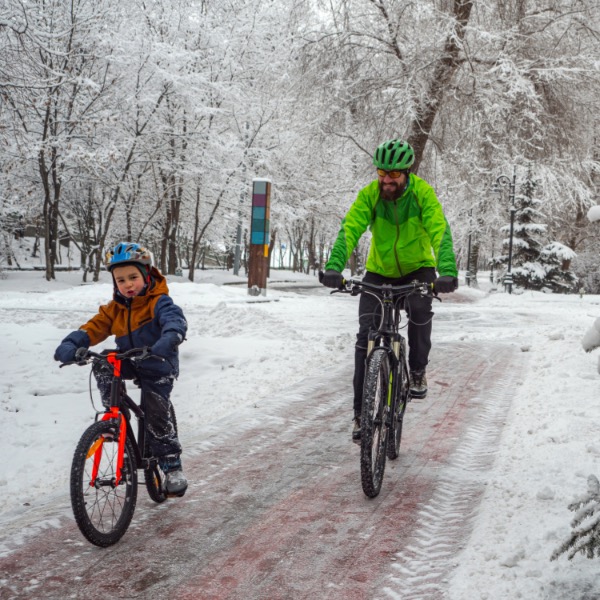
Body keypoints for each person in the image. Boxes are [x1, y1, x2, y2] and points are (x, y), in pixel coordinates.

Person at [320, 139, 458, 442]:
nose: (386, 180)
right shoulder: (370, 195)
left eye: (393, 175)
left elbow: (439, 230)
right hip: (379, 271)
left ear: (406, 173)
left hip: (417, 268)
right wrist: (335, 267)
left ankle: (418, 369)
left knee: (420, 310)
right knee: (364, 338)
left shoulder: (422, 194)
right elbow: (350, 228)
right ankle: (361, 415)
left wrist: (446, 270)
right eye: (382, 172)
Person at [54, 242, 189, 495]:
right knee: (104, 360)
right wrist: (72, 344)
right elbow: (93, 328)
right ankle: (117, 419)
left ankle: (172, 465)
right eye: (121, 280)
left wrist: (169, 338)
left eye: (133, 277)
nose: (128, 284)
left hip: (157, 361)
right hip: (129, 358)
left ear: (147, 275)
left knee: (155, 412)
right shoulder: (114, 309)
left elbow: (175, 320)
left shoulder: (158, 302)